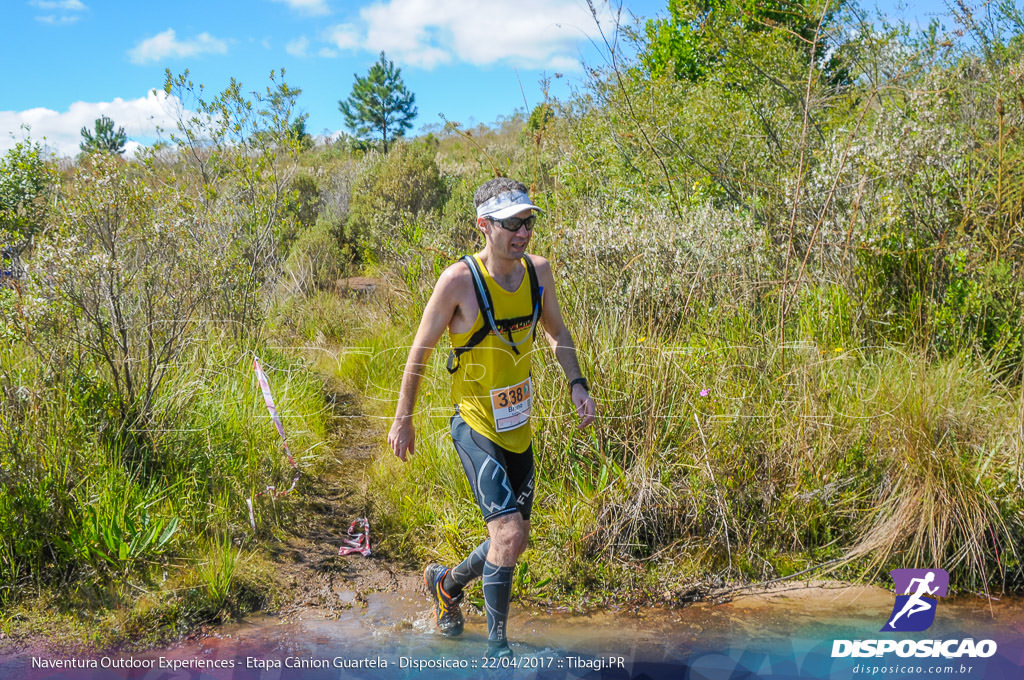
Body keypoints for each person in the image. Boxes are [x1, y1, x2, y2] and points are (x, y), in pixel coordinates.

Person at [387, 178, 597, 659]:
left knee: (512, 541)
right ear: (483, 225)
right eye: (511, 224)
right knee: (508, 535)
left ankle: (446, 584)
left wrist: (576, 383)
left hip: (518, 429)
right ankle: (498, 653)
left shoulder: (539, 272)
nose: (523, 232)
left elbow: (558, 332)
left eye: (529, 221)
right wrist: (404, 419)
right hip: (475, 425)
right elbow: (420, 351)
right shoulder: (458, 281)